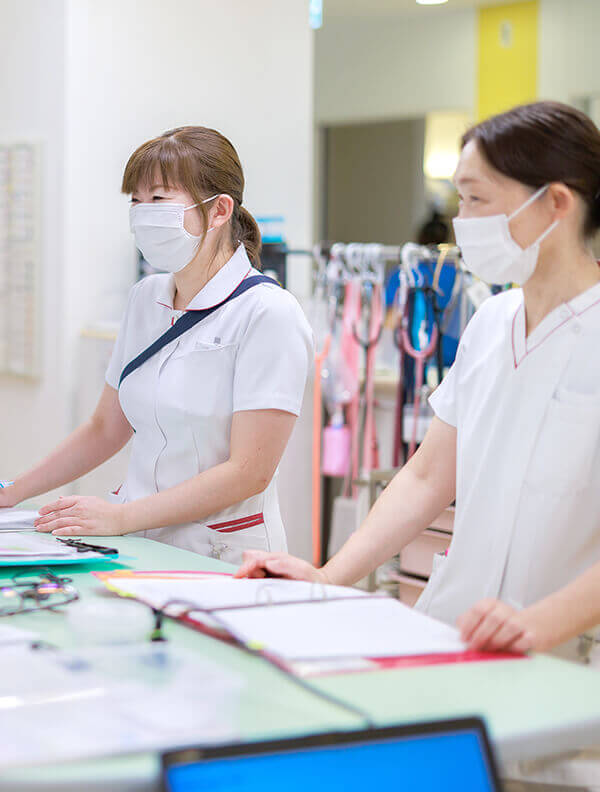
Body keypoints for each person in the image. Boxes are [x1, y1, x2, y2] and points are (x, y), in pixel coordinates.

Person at [236, 101, 600, 787]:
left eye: (476, 198)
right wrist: (327, 575)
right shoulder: (493, 321)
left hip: (560, 660)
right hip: (449, 633)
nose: (461, 220)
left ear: (555, 203)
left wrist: (535, 626)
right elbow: (428, 476)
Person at [0, 126, 314, 564]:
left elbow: (249, 472)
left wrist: (122, 518)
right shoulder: (146, 298)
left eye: (159, 200)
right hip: (141, 543)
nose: (143, 214)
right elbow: (106, 427)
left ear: (218, 210)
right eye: (135, 201)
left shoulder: (269, 313)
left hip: (222, 555)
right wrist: (11, 490)